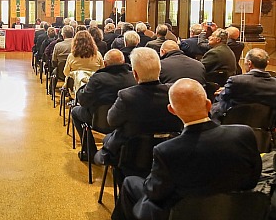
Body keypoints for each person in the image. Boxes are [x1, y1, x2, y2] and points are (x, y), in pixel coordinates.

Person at [115, 78, 261, 220]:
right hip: (236, 211)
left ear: (172, 110)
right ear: (209, 104)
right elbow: (253, 179)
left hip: (182, 213)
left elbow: (155, 192)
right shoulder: (244, 133)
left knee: (130, 182)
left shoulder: (166, 151)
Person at [94, 48, 182, 167]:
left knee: (107, 143)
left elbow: (111, 121)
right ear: (159, 70)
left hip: (132, 158)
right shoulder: (174, 93)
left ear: (135, 74)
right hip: (169, 157)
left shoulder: (126, 96)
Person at [73, 50, 136, 160]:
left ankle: (90, 152)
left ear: (105, 63)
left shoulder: (98, 78)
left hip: (99, 121)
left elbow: (83, 101)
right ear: (124, 61)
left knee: (74, 112)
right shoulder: (133, 77)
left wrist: (81, 90)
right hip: (125, 122)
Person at [211, 48, 276, 122]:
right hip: (264, 125)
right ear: (267, 63)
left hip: (233, 122)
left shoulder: (235, 81)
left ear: (249, 63)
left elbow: (223, 97)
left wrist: (224, 90)